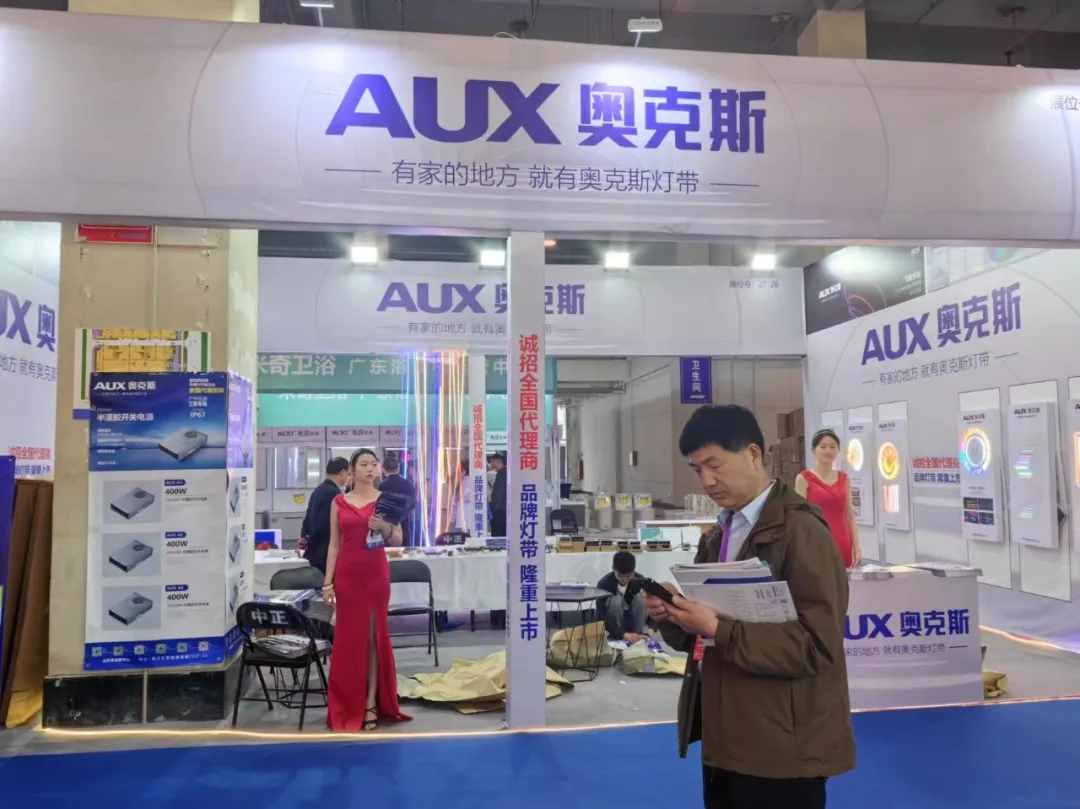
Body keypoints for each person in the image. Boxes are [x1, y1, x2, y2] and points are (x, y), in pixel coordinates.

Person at [643, 405, 855, 809]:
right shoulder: (720, 533)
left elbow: (817, 647)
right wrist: (674, 615)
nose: (707, 480)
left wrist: (718, 628)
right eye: (697, 470)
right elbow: (705, 639)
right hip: (726, 739)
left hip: (783, 750)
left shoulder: (802, 532)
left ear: (753, 454)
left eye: (714, 465)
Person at [324, 449, 411, 732]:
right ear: (352, 470)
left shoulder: (387, 500)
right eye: (363, 464)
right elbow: (334, 545)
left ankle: (371, 701)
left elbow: (398, 539)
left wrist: (384, 526)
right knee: (349, 640)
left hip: (376, 575)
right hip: (347, 577)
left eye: (374, 464)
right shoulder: (339, 502)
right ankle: (349, 702)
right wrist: (327, 582)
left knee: (374, 639)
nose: (370, 468)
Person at [795, 429, 862, 568]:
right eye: (823, 446)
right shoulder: (804, 478)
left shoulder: (844, 478)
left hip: (842, 539)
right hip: (816, 540)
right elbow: (798, 518)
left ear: (838, 451)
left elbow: (850, 515)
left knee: (843, 578)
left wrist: (857, 548)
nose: (828, 451)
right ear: (814, 450)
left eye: (832, 447)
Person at [298, 457, 349, 575]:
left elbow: (307, 519)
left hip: (315, 551)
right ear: (342, 472)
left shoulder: (318, 490)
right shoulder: (335, 494)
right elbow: (325, 525)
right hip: (325, 551)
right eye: (348, 473)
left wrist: (306, 538)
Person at [596, 551, 651, 643]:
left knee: (640, 597)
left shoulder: (639, 580)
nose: (624, 580)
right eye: (620, 576)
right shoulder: (604, 583)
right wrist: (622, 633)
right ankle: (619, 637)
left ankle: (637, 635)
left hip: (633, 623)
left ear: (633, 572)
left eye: (629, 576)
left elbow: (652, 607)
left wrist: (650, 630)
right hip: (614, 626)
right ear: (613, 569)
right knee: (615, 600)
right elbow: (600, 614)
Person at [377, 455, 416, 545]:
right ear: (398, 468)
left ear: (384, 470)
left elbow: (380, 506)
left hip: (389, 524)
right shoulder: (408, 483)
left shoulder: (382, 485)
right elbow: (413, 504)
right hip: (406, 522)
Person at [488, 453, 507, 538]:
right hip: (503, 511)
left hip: (500, 512)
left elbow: (499, 493)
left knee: (498, 537)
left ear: (495, 462)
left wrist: (495, 510)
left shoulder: (502, 474)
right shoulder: (504, 472)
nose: (490, 464)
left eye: (491, 462)